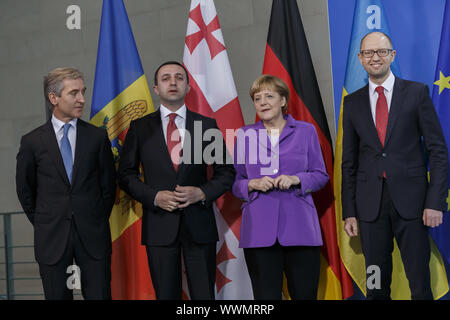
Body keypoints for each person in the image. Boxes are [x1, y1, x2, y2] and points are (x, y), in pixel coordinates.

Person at [342, 31, 448, 300]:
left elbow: (437, 151)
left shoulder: (416, 93)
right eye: (368, 53)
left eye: (380, 52)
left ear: (392, 55)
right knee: (376, 283)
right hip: (369, 210)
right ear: (360, 58)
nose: (374, 57)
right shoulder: (352, 103)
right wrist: (349, 211)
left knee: (419, 282)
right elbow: (349, 163)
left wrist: (435, 202)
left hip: (413, 206)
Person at [118, 61, 235, 300]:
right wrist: (154, 197)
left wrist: (202, 193)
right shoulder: (140, 128)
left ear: (188, 87)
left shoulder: (205, 126)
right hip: (159, 226)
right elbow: (125, 175)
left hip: (199, 225)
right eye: (166, 78)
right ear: (156, 88)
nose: (173, 82)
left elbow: (226, 173)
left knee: (204, 296)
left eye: (179, 78)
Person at [16, 67, 116, 300]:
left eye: (83, 91)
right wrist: (46, 220)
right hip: (51, 239)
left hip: (93, 236)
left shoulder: (97, 137)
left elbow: (108, 187)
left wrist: (94, 217)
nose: (82, 99)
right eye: (74, 93)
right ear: (54, 98)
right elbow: (25, 190)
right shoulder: (32, 142)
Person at [232, 75, 329, 300]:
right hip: (258, 231)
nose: (263, 102)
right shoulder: (245, 135)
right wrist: (251, 184)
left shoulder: (306, 131)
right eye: (257, 98)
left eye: (269, 96)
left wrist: (297, 179)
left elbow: (320, 175)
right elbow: (235, 182)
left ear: (283, 101)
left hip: (301, 228)